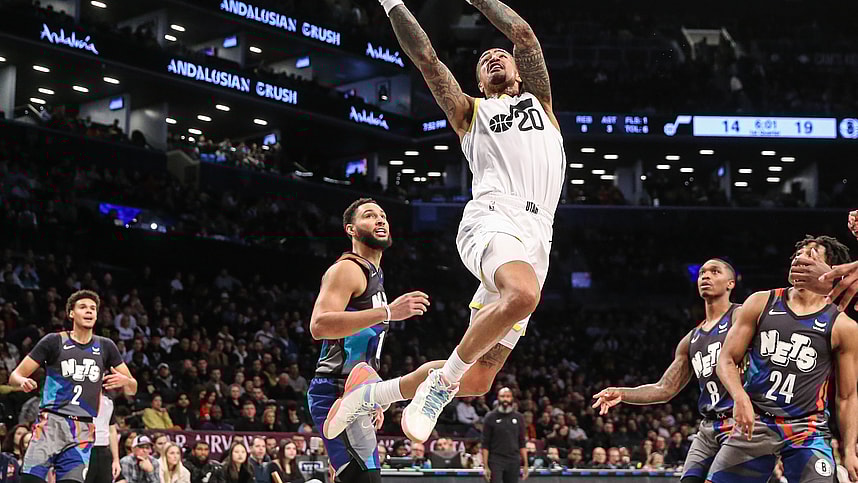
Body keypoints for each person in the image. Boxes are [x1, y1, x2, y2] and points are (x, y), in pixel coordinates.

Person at [326, 0, 565, 444]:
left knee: (479, 380)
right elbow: (427, 59)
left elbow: (524, 35)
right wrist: (392, 4)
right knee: (523, 295)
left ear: (519, 70)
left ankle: (370, 394)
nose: (493, 57)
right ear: (478, 83)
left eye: (501, 55)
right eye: (483, 61)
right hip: (494, 217)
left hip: (538, 236)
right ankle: (441, 383)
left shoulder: (541, 104)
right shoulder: (470, 113)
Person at [713, 235, 858, 482]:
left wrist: (849, 450)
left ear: (830, 269)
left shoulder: (843, 325)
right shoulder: (761, 302)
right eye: (797, 254)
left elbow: (847, 396)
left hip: (807, 427)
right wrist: (739, 397)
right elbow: (726, 359)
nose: (799, 258)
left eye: (811, 254)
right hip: (756, 420)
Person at [307, 198, 430, 483]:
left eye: (383, 215)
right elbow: (319, 325)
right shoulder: (347, 269)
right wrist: (388, 312)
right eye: (369, 215)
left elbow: (363, 347)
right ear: (351, 229)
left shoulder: (375, 274)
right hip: (336, 390)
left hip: (357, 392)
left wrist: (371, 394)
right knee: (365, 478)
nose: (380, 220)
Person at [592, 258, 740, 482]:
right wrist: (622, 393)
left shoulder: (741, 317)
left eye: (715, 271)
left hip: (739, 423)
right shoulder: (691, 339)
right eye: (702, 273)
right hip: (709, 426)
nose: (706, 276)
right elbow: (664, 388)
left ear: (731, 283)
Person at [10, 290, 137, 483]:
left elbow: (132, 388)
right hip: (50, 423)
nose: (89, 311)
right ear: (71, 313)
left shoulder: (106, 346)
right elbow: (14, 376)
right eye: (83, 307)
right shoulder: (54, 341)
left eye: (93, 308)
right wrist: (22, 381)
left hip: (82, 430)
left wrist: (127, 382)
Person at [481, 388, 527, 483]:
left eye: (508, 396)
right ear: (498, 398)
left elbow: (522, 442)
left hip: (514, 460)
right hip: (495, 460)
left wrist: (526, 464)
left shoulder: (519, 417)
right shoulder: (490, 417)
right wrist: (485, 466)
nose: (505, 399)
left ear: (512, 398)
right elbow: (485, 444)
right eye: (502, 396)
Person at [84, 394, 121, 483]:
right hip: (85, 449)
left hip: (104, 452)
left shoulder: (109, 401)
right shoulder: (81, 397)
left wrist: (116, 460)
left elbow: (112, 430)